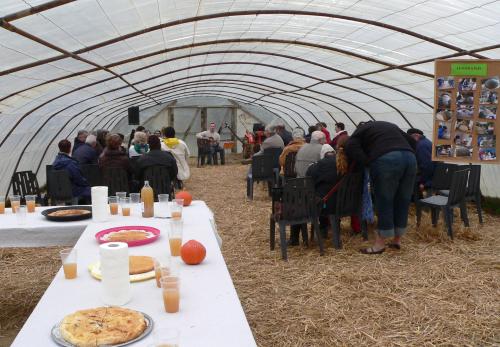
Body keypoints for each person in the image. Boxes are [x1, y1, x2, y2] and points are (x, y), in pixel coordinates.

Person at [345, 121, 417, 254]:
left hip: (387, 160)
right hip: (410, 159)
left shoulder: (361, 130)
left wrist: (367, 161)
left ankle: (379, 245)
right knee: (403, 200)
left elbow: (350, 146)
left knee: (384, 200)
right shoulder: (390, 125)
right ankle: (396, 240)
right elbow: (413, 142)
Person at [407, 128, 435, 194]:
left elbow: (426, 165)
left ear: (416, 136)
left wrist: (423, 182)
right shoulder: (426, 141)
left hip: (429, 178)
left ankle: (416, 201)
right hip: (433, 175)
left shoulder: (421, 146)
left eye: (410, 138)